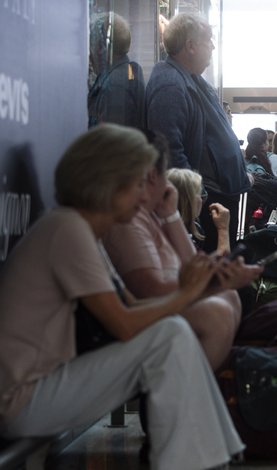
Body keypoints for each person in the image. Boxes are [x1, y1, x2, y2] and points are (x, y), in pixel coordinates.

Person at [0, 124, 262, 470]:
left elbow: (129, 306)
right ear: (107, 183)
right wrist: (190, 292)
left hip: (45, 384)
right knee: (170, 333)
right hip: (23, 399)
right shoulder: (68, 229)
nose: (144, 194)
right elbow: (125, 325)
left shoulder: (80, 230)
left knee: (172, 330)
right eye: (135, 183)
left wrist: (199, 288)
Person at [103, 131, 241, 371]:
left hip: (165, 304)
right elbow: (150, 289)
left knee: (230, 296)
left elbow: (191, 262)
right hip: (148, 316)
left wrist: (171, 215)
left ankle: (208, 389)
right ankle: (194, 396)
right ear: (152, 176)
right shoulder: (129, 221)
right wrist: (210, 285)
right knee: (217, 311)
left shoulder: (155, 217)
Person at [145, 12, 250, 254]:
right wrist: (196, 195)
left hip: (218, 196)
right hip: (205, 201)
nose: (213, 45)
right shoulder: (170, 84)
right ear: (190, 46)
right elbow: (169, 150)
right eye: (209, 39)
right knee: (213, 269)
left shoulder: (191, 79)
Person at [87, 13, 145, 129]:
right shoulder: (128, 72)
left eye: (90, 46)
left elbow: (113, 143)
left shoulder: (114, 86)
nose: (89, 55)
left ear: (100, 47)